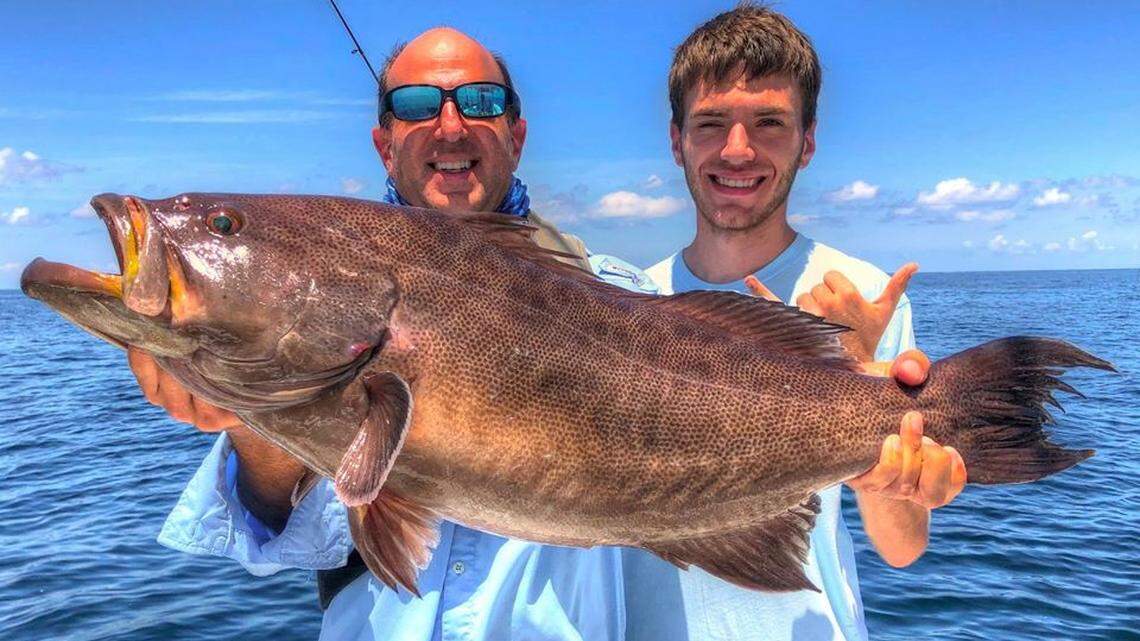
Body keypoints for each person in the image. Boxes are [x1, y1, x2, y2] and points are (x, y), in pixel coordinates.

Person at [133, 25, 938, 641]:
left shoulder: (622, 298)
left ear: (516, 136)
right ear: (383, 142)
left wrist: (861, 406)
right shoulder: (293, 341)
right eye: (416, 106)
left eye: (479, 102)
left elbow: (722, 477)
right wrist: (255, 422)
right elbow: (286, 539)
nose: (449, 125)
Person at [624, 5, 966, 640]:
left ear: (808, 142)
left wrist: (871, 412)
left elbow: (901, 548)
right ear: (676, 141)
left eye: (769, 123)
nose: (737, 149)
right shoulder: (630, 298)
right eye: (710, 123)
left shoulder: (861, 297)